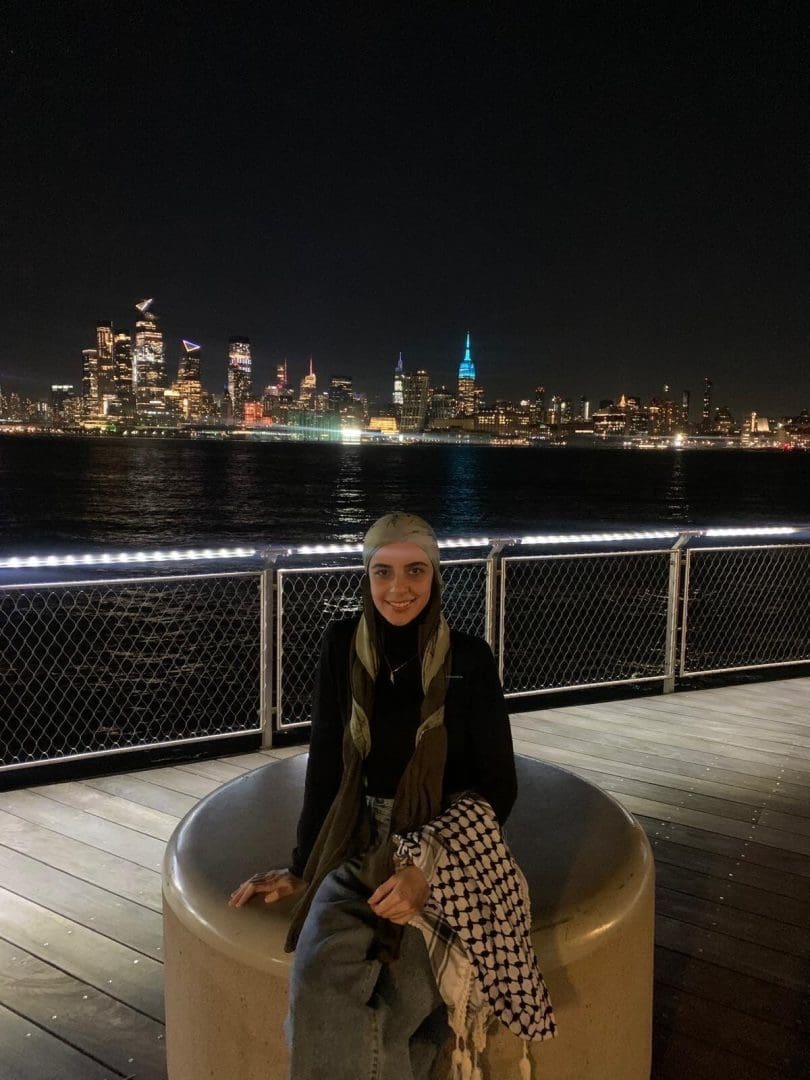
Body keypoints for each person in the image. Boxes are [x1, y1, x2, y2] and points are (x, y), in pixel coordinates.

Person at [229, 512, 519, 1080]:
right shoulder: (343, 645)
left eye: (415, 570)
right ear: (366, 576)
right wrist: (302, 864)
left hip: (443, 843)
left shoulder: (470, 660)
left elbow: (496, 786)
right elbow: (329, 763)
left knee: (397, 1003)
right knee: (319, 979)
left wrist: (428, 870)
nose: (398, 588)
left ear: (435, 576)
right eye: (382, 572)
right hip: (358, 839)